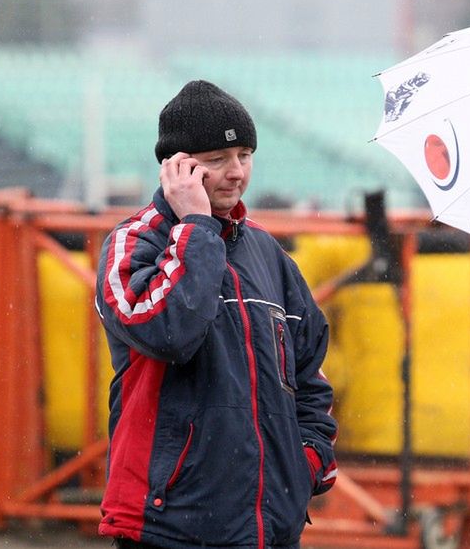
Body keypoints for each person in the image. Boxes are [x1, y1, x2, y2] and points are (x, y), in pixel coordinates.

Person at [95, 80, 338, 549]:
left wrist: (304, 461)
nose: (236, 173)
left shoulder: (269, 254)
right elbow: (168, 332)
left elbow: (310, 377)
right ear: (177, 168)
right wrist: (197, 228)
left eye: (245, 155)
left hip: (268, 531)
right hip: (169, 530)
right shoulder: (132, 243)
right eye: (216, 160)